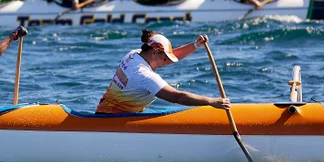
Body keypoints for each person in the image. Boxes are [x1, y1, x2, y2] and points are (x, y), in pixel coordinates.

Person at [96, 30, 231, 114]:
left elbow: (172, 56)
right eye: (165, 58)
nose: (167, 62)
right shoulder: (144, 75)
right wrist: (211, 101)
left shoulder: (135, 54)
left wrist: (195, 45)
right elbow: (177, 97)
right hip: (115, 122)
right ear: (155, 52)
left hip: (108, 113)